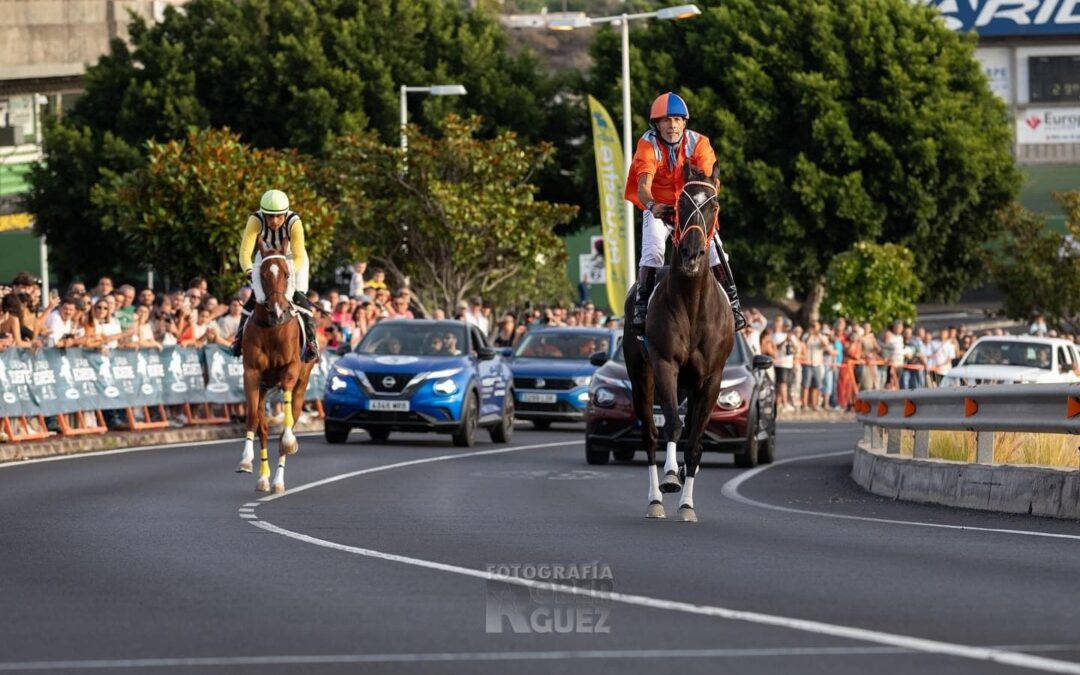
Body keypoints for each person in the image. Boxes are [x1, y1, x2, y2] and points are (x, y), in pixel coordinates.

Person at [623, 91, 746, 334]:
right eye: (666, 121)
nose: (672, 126)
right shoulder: (647, 145)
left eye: (677, 120)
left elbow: (710, 181)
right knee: (653, 250)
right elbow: (643, 187)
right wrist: (652, 206)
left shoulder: (699, 143)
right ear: (656, 125)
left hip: (690, 207)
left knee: (717, 254)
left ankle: (733, 305)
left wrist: (699, 207)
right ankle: (641, 305)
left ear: (684, 123)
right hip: (659, 207)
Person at [231, 189, 319, 362]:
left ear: (286, 213)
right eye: (270, 216)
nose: (274, 221)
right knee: (256, 297)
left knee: (300, 297)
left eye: (279, 216)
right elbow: (244, 253)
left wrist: (287, 274)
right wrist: (249, 271)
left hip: (291, 259)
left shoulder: (294, 222)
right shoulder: (255, 220)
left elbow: (299, 255)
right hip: (265, 257)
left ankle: (311, 342)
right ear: (263, 214)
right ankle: (239, 339)